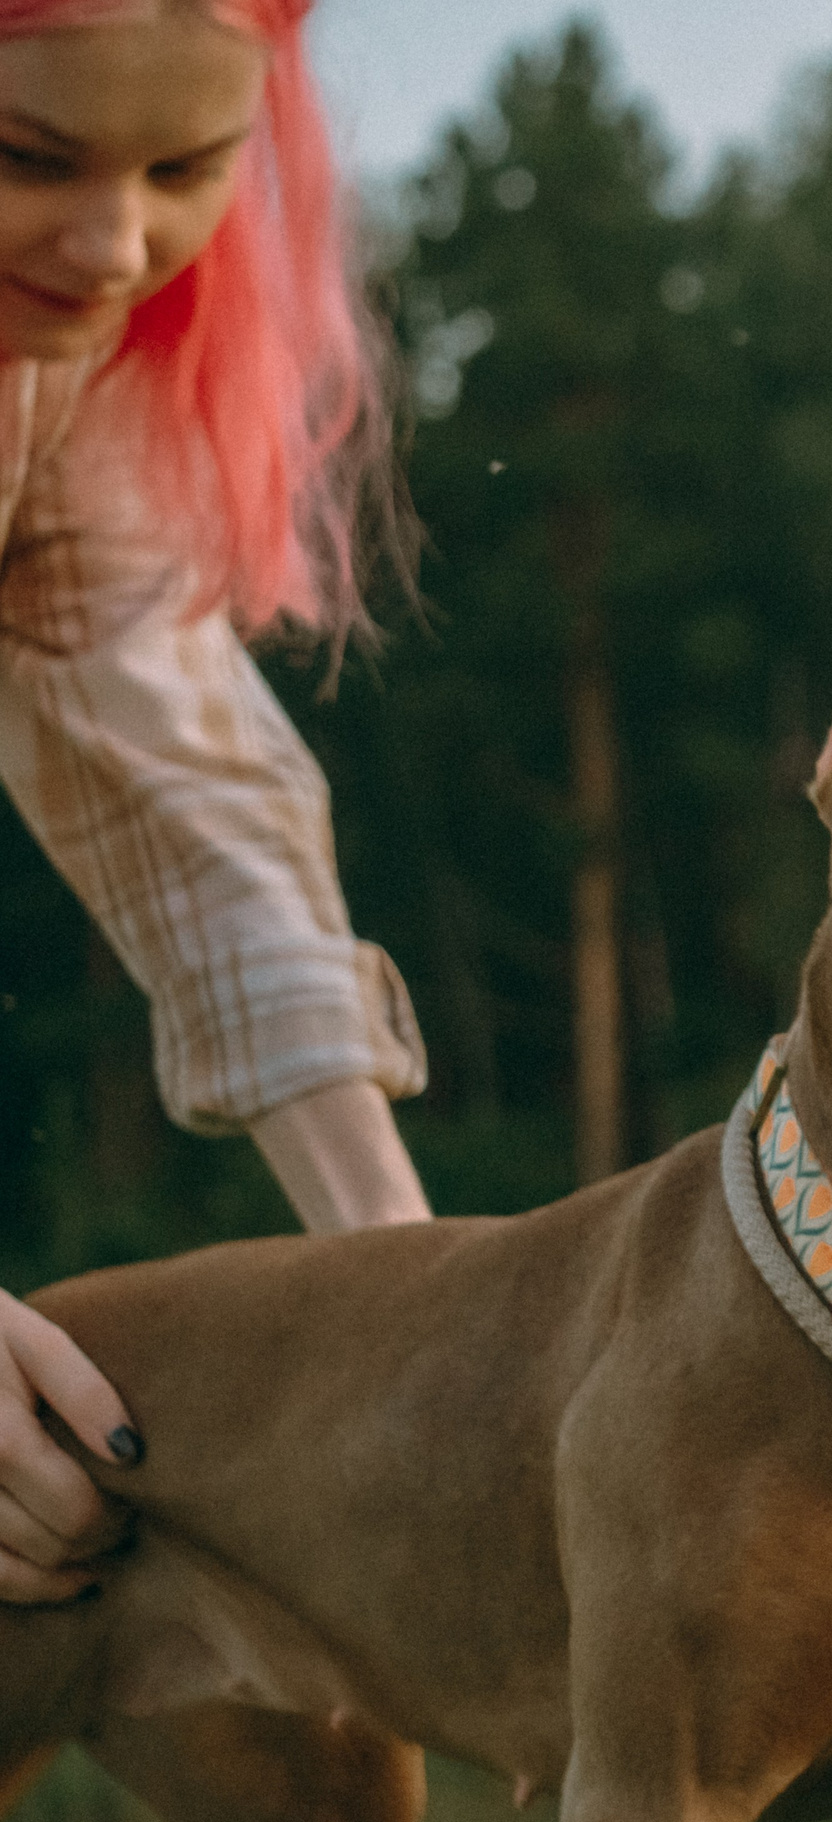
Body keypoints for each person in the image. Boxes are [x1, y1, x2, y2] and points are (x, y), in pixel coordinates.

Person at [0, 0, 430, 1607]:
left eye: (187, 166)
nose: (116, 244)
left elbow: (189, 794)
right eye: (25, 155)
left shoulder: (58, 362)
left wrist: (406, 1280)